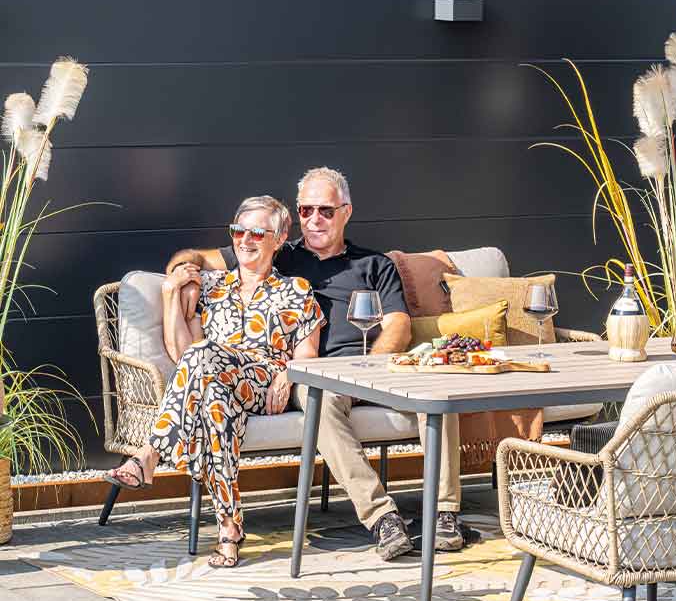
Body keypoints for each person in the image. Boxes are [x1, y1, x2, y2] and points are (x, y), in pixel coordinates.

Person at [167, 166, 467, 560]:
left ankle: (445, 513)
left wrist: (369, 370)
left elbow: (398, 326)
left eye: (325, 210)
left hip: (375, 366)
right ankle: (383, 518)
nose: (314, 220)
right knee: (318, 401)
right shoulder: (281, 254)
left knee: (437, 393)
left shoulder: (374, 264)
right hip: (316, 373)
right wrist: (183, 274)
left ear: (346, 212)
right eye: (306, 211)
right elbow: (198, 256)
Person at [105, 196, 323, 569]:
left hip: (264, 382)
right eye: (238, 231)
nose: (245, 240)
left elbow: (308, 352)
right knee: (214, 404)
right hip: (213, 381)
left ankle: (150, 453)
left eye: (257, 233)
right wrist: (171, 295)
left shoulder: (297, 290)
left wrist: (287, 375)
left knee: (205, 355)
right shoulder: (211, 287)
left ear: (278, 240)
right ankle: (229, 528)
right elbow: (183, 353)